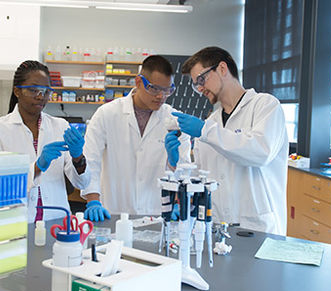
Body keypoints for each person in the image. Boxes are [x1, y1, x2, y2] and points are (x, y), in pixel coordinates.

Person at [173, 46, 288, 235]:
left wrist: (205, 131)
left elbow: (261, 152)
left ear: (222, 69)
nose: (200, 88)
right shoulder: (211, 122)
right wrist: (176, 160)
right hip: (217, 226)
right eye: (195, 85)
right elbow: (202, 177)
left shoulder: (265, 105)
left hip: (257, 227)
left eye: (201, 79)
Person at [81, 55, 191, 221]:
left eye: (167, 90)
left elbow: (185, 170)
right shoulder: (107, 114)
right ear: (138, 82)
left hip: (159, 212)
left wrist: (177, 198)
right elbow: (91, 161)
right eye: (155, 89)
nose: (161, 96)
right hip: (114, 211)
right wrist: (93, 201)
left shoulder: (176, 120)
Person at [0, 60, 90, 222]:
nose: (41, 96)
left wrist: (78, 158)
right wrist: (37, 167)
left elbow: (81, 183)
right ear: (17, 91)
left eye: (46, 91)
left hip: (56, 219)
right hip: (15, 220)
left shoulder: (60, 126)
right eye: (34, 90)